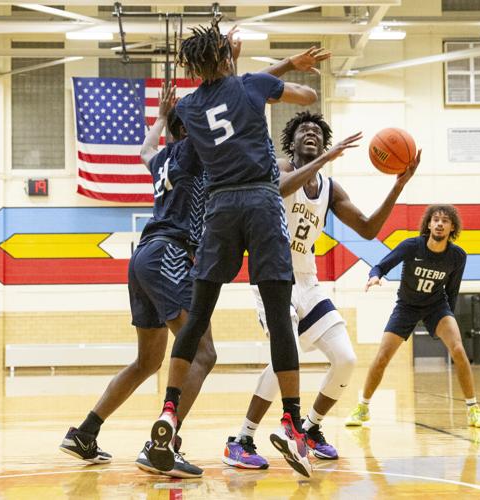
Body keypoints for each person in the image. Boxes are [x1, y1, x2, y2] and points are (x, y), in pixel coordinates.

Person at [145, 20, 324, 478]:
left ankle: (168, 410)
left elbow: (212, 99)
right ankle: (290, 421)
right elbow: (308, 98)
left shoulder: (186, 107)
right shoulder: (250, 85)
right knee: (280, 312)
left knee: (199, 314)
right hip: (262, 203)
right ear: (228, 57)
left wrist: (246, 72)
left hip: (219, 210)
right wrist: (284, 74)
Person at [223, 111, 420, 469]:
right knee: (288, 356)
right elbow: (278, 189)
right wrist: (326, 160)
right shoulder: (278, 166)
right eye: (303, 130)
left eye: (317, 131)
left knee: (345, 359)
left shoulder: (329, 188)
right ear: (292, 141)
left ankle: (311, 428)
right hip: (271, 276)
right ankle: (242, 438)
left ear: (325, 142)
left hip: (308, 280)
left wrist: (398, 186)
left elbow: (367, 229)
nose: (310, 133)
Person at [59, 85, 215, 478]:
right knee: (203, 353)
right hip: (171, 255)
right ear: (192, 130)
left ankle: (85, 432)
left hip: (144, 256)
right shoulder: (194, 152)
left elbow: (143, 152)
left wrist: (161, 117)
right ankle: (163, 445)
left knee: (149, 360)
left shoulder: (162, 157)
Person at [345, 205, 480, 428]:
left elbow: (452, 291)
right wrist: (374, 277)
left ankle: (474, 410)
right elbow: (381, 265)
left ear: (452, 227)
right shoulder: (412, 246)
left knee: (458, 349)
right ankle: (363, 408)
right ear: (428, 224)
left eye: (445, 221)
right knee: (383, 357)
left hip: (437, 306)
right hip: (406, 306)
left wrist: (446, 321)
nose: (440, 224)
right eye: (436, 219)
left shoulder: (457, 256)